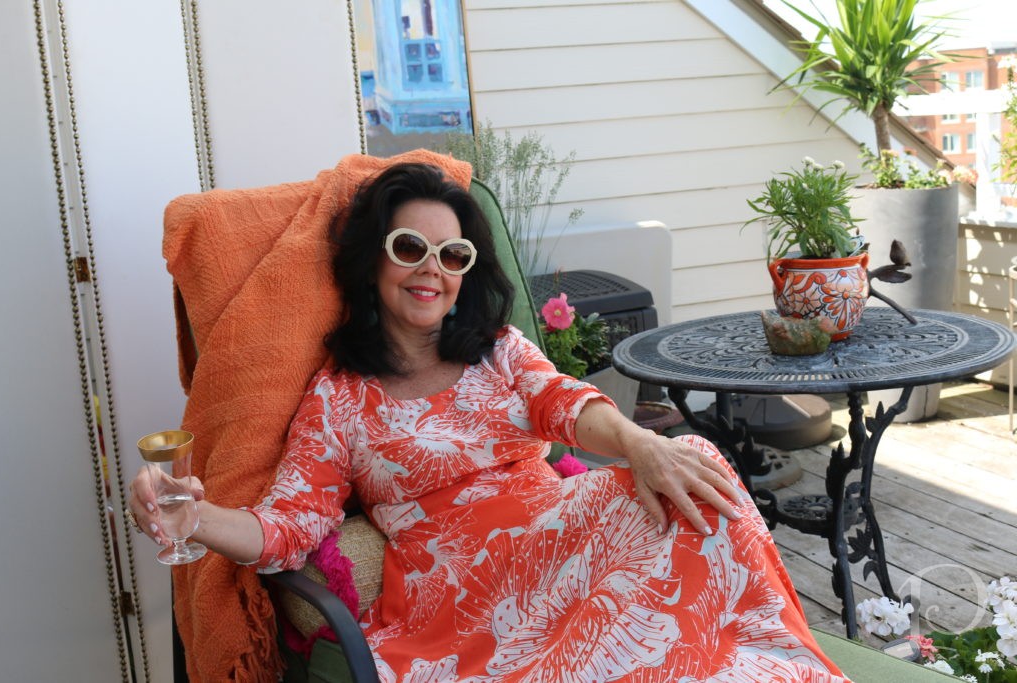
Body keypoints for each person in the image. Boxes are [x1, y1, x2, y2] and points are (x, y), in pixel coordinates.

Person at [130, 162, 848, 681]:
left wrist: (638, 444)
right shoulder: (339, 396)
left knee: (693, 460)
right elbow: (288, 527)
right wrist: (196, 518)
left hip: (564, 529)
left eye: (453, 254)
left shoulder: (498, 352)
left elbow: (566, 403)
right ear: (372, 263)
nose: (431, 269)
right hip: (467, 589)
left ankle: (771, 664)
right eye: (409, 247)